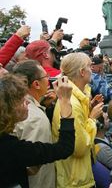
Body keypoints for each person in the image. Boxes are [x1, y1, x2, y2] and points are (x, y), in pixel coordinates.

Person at [0, 74, 75, 188]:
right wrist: (64, 101)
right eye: (22, 100)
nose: (28, 102)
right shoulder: (12, 148)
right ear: (7, 109)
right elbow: (64, 148)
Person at [52, 52, 103, 188]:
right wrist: (92, 118)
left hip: (79, 176)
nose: (91, 69)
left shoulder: (78, 96)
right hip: (75, 182)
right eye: (89, 66)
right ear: (81, 72)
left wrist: (89, 106)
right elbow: (79, 148)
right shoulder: (72, 103)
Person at [12, 60, 55, 188]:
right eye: (46, 76)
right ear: (36, 84)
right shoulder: (35, 118)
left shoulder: (17, 106)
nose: (49, 80)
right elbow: (34, 166)